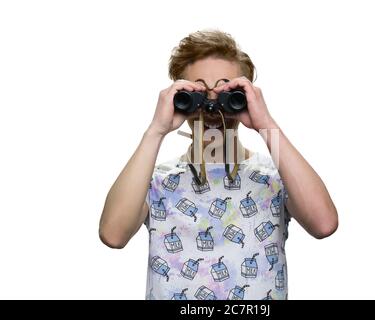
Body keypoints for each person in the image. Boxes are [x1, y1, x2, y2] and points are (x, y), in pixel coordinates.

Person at [99, 29, 338, 300]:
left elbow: (324, 224)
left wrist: (266, 125)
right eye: (198, 91)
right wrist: (157, 129)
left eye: (226, 89)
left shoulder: (275, 177)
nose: (212, 103)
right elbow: (113, 235)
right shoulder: (155, 181)